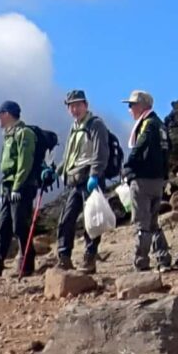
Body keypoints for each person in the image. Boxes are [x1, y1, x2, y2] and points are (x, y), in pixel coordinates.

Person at [54, 89, 121, 272]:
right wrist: (57, 170)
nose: (74, 109)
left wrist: (95, 174)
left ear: (86, 105)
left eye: (78, 105)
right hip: (74, 180)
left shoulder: (95, 124)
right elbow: (70, 155)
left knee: (92, 219)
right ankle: (64, 257)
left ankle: (89, 258)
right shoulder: (74, 127)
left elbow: (101, 152)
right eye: (71, 106)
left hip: (90, 177)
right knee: (66, 219)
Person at [0, 101, 42, 280]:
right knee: (3, 227)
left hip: (21, 187)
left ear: (8, 114)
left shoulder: (24, 133)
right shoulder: (8, 135)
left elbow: (24, 163)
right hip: (8, 186)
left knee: (19, 225)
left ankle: (27, 265)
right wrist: (4, 192)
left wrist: (18, 186)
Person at [122, 88, 173, 272]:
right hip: (158, 180)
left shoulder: (148, 125)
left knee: (141, 223)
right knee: (153, 222)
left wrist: (128, 167)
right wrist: (165, 177)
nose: (129, 109)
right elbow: (168, 151)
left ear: (141, 105)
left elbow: (140, 146)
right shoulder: (160, 125)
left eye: (131, 105)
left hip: (142, 179)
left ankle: (141, 262)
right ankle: (163, 258)